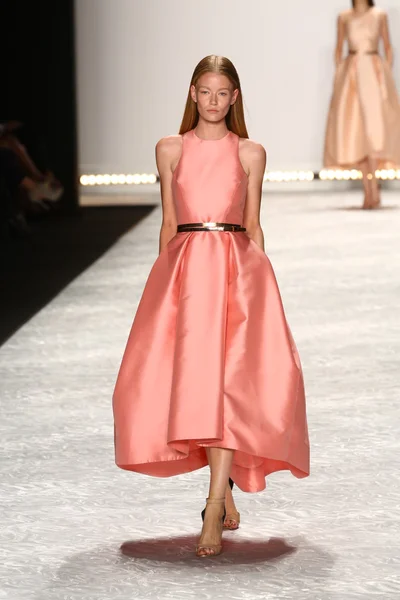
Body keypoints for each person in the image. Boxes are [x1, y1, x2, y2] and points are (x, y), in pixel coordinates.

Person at [113, 55, 310, 557]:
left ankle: (215, 503)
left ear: (235, 98)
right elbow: (168, 221)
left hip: (237, 273)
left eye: (223, 94)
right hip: (186, 271)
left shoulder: (250, 153)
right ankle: (222, 493)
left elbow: (253, 224)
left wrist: (264, 285)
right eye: (206, 92)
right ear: (193, 94)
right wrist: (162, 285)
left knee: (228, 387)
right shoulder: (169, 149)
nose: (214, 102)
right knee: (197, 386)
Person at [323, 0, 400, 209]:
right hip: (351, 76)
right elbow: (339, 48)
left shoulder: (379, 15)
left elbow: (388, 45)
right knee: (355, 131)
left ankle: (373, 189)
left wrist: (386, 73)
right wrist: (340, 74)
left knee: (374, 133)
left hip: (374, 75)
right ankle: (369, 190)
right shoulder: (344, 17)